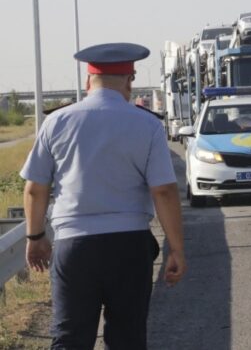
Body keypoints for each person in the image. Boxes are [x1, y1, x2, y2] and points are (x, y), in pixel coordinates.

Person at [21, 42, 186, 350]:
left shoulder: (57, 122)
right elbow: (163, 190)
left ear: (88, 81)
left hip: (74, 247)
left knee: (70, 339)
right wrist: (175, 249)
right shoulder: (147, 124)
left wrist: (35, 237)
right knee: (127, 339)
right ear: (129, 80)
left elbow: (35, 188)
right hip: (129, 247)